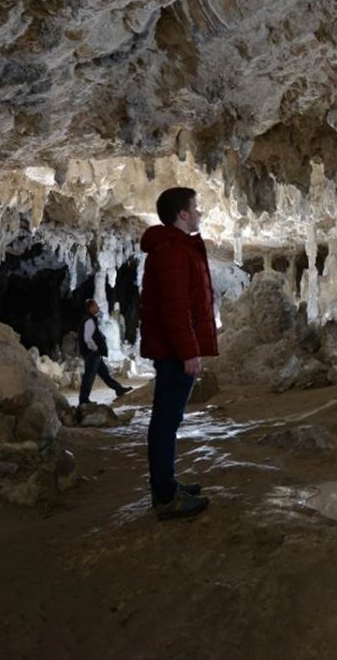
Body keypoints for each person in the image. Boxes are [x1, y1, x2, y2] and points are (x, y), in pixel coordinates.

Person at [139, 187, 217, 520]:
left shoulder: (178, 248)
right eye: (195, 208)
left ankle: (167, 484)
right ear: (182, 214)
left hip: (174, 352)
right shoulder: (172, 251)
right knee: (166, 422)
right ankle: (166, 496)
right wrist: (189, 352)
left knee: (169, 421)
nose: (199, 213)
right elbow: (176, 309)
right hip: (174, 354)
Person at [78, 300, 133, 409]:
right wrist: (96, 348)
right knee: (89, 377)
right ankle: (83, 400)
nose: (98, 307)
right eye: (96, 306)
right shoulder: (89, 320)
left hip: (95, 354)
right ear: (91, 307)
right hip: (92, 354)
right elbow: (87, 338)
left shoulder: (90, 319)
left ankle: (118, 389)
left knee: (105, 375)